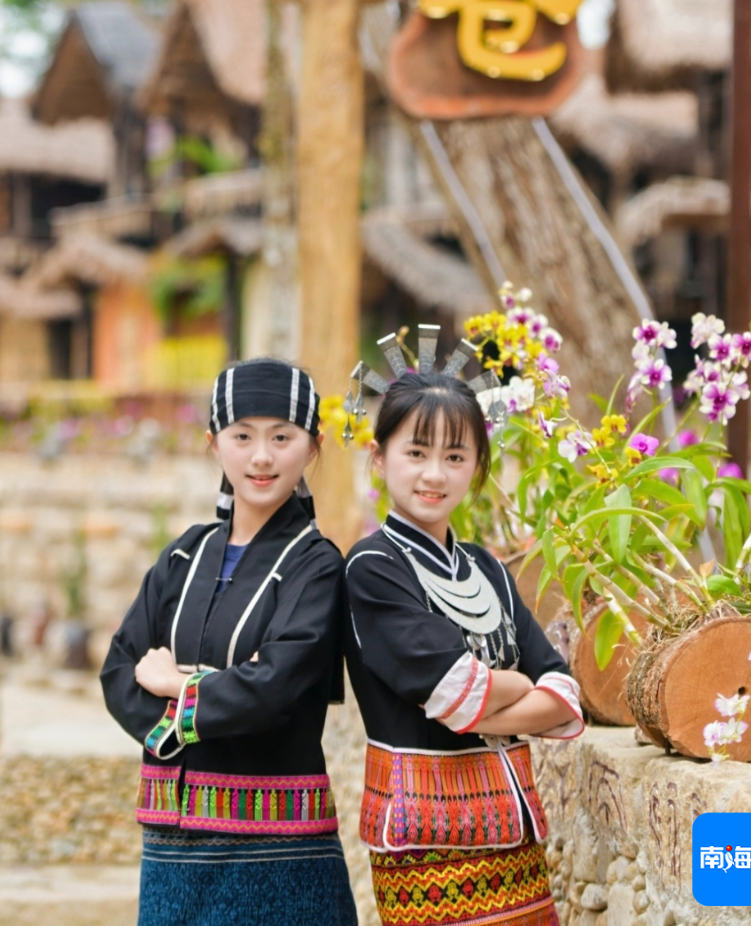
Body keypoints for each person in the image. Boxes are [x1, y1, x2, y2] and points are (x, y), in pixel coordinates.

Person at [101, 357, 357, 926]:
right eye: (242, 436)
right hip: (171, 857)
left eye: (281, 437)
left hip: (283, 860)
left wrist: (175, 682)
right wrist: (209, 699)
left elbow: (274, 689)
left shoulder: (317, 566)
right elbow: (119, 671)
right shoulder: (182, 556)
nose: (261, 456)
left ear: (313, 447)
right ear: (213, 443)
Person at [344, 365, 584, 926]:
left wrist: (490, 697)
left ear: (477, 466)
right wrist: (517, 684)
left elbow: (564, 692)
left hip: (515, 838)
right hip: (423, 842)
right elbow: (455, 694)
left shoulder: (488, 569)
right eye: (416, 452)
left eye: (455, 456)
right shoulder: (373, 567)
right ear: (379, 458)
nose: (435, 473)